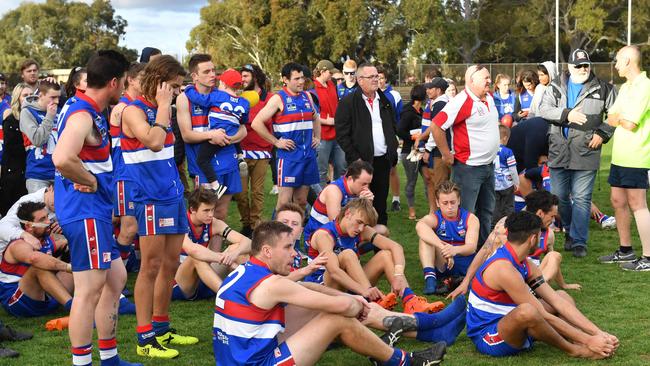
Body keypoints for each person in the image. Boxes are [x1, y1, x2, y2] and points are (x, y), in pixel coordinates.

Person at [213, 220, 447, 366]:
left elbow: (305, 288)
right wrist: (355, 305)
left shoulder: (244, 271)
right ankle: (406, 361)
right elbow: (343, 309)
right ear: (266, 251)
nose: (294, 254)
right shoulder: (274, 284)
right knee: (336, 317)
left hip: (236, 357)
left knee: (325, 305)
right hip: (258, 362)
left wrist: (348, 298)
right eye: (288, 247)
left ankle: (419, 328)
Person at [52, 50, 139, 366]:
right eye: (126, 82)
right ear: (115, 83)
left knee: (115, 279)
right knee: (88, 290)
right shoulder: (82, 114)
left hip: (95, 211)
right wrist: (87, 179)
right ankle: (82, 363)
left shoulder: (87, 107)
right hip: (84, 211)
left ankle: (110, 358)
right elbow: (61, 158)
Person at [121, 55, 195, 359]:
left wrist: (164, 106)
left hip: (172, 195)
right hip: (150, 199)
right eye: (174, 87)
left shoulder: (157, 108)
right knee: (149, 267)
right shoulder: (132, 111)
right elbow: (152, 141)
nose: (178, 93)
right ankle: (144, 337)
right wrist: (165, 106)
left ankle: (162, 327)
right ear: (160, 83)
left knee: (171, 264)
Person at [465, 211, 618, 359]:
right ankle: (575, 350)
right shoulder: (503, 268)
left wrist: (598, 333)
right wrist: (588, 339)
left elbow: (556, 302)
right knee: (528, 311)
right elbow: (542, 315)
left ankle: (582, 339)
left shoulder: (524, 262)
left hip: (511, 322)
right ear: (533, 239)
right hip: (488, 336)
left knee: (562, 296)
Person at [538, 48, 616, 258]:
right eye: (578, 65)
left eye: (586, 65)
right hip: (558, 151)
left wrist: (603, 132)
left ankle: (579, 241)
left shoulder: (603, 88)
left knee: (582, 198)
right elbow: (543, 110)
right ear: (570, 67)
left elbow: (616, 113)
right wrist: (567, 114)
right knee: (560, 197)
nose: (583, 69)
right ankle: (571, 232)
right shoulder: (555, 86)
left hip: (586, 151)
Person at [451, 190, 583, 300]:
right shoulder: (507, 225)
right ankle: (530, 292)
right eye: (552, 216)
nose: (553, 220)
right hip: (509, 275)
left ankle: (533, 291)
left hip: (534, 276)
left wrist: (563, 284)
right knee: (498, 242)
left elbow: (554, 264)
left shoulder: (549, 234)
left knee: (554, 256)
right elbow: (484, 251)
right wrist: (466, 281)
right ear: (540, 213)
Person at [431, 64, 499, 246]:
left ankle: (483, 252)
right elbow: (436, 125)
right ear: (471, 81)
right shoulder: (461, 101)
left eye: (488, 77)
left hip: (488, 166)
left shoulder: (488, 97)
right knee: (464, 214)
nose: (489, 81)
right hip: (468, 168)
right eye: (485, 78)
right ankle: (460, 255)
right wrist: (445, 154)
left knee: (486, 211)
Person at [600, 45, 650, 271]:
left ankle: (648, 258)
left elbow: (629, 123)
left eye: (618, 60)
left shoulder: (645, 87)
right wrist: (620, 118)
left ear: (629, 61)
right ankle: (625, 251)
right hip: (620, 156)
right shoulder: (626, 87)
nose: (616, 64)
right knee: (617, 201)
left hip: (638, 157)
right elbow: (611, 117)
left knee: (638, 205)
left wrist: (621, 118)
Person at [251, 62, 321, 211]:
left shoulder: (307, 96)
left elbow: (316, 118)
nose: (301, 82)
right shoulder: (278, 98)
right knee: (284, 203)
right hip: (289, 158)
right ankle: (277, 234)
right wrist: (276, 142)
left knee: (301, 201)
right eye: (296, 79)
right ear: (285, 79)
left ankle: (296, 234)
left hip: (308, 156)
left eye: (302, 78)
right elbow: (256, 123)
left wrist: (318, 137)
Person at [336, 63, 399, 226]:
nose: (375, 80)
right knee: (360, 205)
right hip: (360, 163)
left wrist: (392, 151)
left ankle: (381, 244)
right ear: (360, 80)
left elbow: (392, 126)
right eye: (371, 77)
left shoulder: (384, 100)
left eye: (376, 76)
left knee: (380, 204)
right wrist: (355, 158)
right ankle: (355, 243)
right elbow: (342, 134)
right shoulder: (348, 102)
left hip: (382, 161)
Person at [172, 188, 251, 301]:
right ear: (192, 209)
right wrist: (225, 259)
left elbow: (248, 242)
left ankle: (248, 291)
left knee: (238, 249)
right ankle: (228, 297)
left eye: (212, 210)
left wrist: (235, 253)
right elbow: (193, 250)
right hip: (181, 283)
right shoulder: (179, 223)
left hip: (205, 277)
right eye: (206, 210)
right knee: (195, 257)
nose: (210, 214)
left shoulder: (214, 223)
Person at [184, 68, 248, 201]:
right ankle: (240, 156)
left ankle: (215, 185)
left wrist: (188, 89)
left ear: (224, 84)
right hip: (232, 136)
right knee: (235, 136)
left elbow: (199, 99)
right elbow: (244, 121)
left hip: (217, 135)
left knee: (202, 159)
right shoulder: (245, 102)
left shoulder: (218, 95)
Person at [0, 201, 73, 317]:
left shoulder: (45, 239)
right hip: (18, 303)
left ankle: (95, 301)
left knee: (81, 258)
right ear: (29, 226)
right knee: (38, 266)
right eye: (42, 219)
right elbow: (34, 258)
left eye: (47, 217)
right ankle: (75, 309)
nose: (48, 222)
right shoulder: (18, 245)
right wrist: (68, 267)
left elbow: (64, 243)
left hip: (43, 300)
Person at [416, 181, 479, 295]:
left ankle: (455, 280)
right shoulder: (435, 217)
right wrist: (444, 248)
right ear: (438, 203)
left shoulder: (470, 218)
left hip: (464, 265)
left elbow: (471, 247)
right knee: (425, 238)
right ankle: (430, 279)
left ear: (459, 201)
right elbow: (420, 226)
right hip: (444, 261)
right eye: (445, 203)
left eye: (453, 202)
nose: (449, 207)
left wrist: (454, 250)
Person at [109, 62, 145, 261]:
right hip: (125, 173)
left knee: (139, 221)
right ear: (130, 80)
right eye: (143, 79)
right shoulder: (122, 107)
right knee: (129, 227)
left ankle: (136, 263)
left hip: (138, 171)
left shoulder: (139, 105)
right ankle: (117, 275)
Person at [235, 64, 274, 237]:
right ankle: (246, 223)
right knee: (241, 193)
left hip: (262, 152)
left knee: (257, 192)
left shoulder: (269, 98)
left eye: (245, 76)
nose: (242, 80)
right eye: (241, 76)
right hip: (241, 152)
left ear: (255, 77)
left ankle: (254, 226)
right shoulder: (239, 97)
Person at [303, 160, 374, 249]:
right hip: (320, 238)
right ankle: (349, 251)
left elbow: (370, 222)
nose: (366, 188)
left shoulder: (357, 191)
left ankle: (352, 250)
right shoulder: (334, 190)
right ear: (350, 179)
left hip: (344, 232)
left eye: (368, 184)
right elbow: (336, 223)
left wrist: (367, 204)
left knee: (381, 231)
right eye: (363, 184)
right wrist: (359, 202)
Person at [415, 77, 451, 213]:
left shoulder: (439, 104)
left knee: (440, 186)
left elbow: (437, 129)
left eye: (431, 88)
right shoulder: (445, 102)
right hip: (447, 149)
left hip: (440, 151)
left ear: (438, 90)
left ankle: (443, 218)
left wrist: (428, 149)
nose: (428, 90)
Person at [20, 80, 61, 192]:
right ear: (40, 95)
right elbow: (38, 140)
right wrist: (49, 117)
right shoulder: (27, 112)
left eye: (58, 97)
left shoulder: (59, 111)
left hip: (60, 173)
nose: (57, 101)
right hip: (38, 175)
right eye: (53, 97)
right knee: (41, 209)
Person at [313, 59, 346, 187]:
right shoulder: (313, 88)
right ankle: (320, 202)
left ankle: (339, 196)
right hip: (322, 136)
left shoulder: (331, 84)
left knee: (341, 167)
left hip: (337, 134)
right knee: (321, 171)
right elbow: (311, 113)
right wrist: (326, 121)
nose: (331, 75)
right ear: (322, 71)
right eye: (329, 72)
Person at [0, 84, 31, 216]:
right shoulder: (11, 119)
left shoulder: (38, 118)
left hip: (30, 171)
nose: (29, 99)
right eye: (25, 96)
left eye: (32, 96)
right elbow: (11, 148)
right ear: (17, 98)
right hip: (14, 174)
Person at [397, 85, 426, 219]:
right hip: (409, 152)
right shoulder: (408, 112)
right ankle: (411, 211)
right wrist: (412, 137)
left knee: (428, 179)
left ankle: (433, 210)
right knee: (412, 181)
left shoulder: (421, 111)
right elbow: (400, 130)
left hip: (422, 151)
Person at [377, 66, 403, 212]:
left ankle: (396, 199)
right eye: (376, 77)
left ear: (385, 79)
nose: (379, 81)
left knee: (392, 169)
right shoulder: (368, 95)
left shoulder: (394, 95)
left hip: (391, 137)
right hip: (374, 138)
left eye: (381, 78)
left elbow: (400, 117)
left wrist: (397, 135)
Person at [492, 125, 519, 224]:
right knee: (508, 206)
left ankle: (494, 226)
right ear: (505, 138)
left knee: (495, 207)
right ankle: (509, 225)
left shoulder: (491, 150)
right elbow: (512, 169)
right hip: (507, 183)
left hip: (494, 184)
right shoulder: (508, 152)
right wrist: (516, 182)